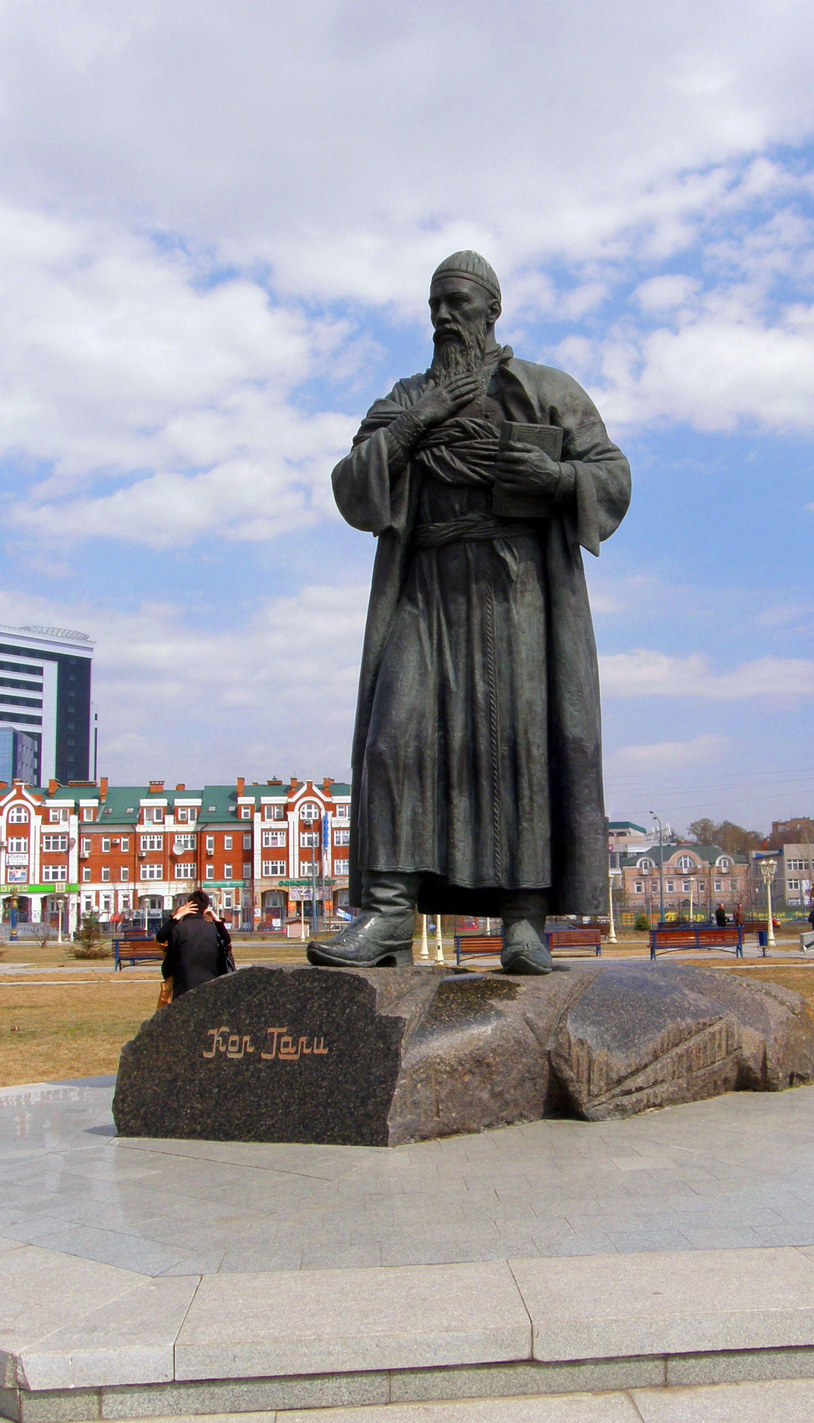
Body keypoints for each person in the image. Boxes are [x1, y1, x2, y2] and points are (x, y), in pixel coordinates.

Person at [310, 251, 631, 976]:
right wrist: (422, 420)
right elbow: (351, 487)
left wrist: (554, 477)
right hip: (426, 589)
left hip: (514, 590)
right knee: (395, 742)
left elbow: (611, 475)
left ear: (491, 311)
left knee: (517, 745)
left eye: (457, 303)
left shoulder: (542, 389)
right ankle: (390, 911)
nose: (444, 317)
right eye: (435, 305)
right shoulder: (406, 396)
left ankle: (523, 921)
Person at [156, 890, 234, 1001]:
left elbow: (161, 938)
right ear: (205, 908)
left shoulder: (179, 929)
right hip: (210, 983)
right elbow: (226, 941)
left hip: (184, 985)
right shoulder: (212, 928)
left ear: (188, 905)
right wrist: (217, 920)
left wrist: (177, 916)